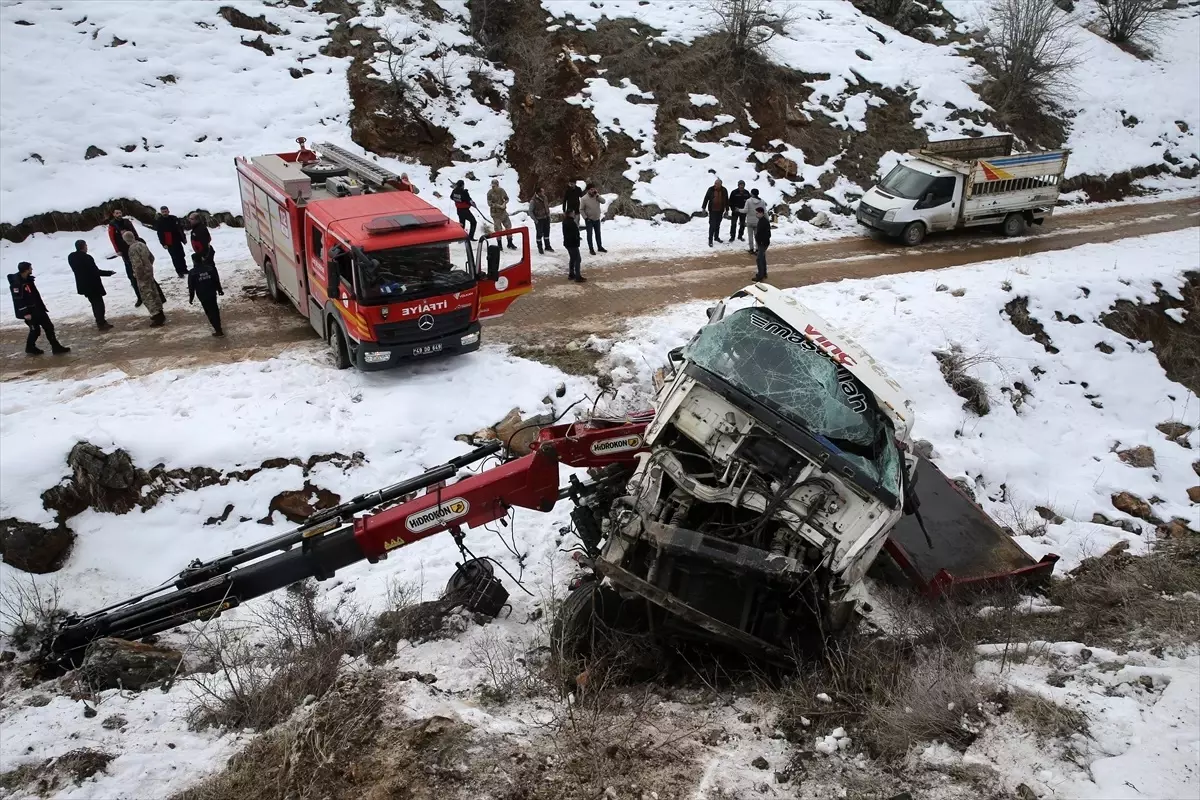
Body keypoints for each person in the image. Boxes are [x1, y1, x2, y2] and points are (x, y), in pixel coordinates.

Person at [8, 262, 69, 355]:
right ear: (26, 270)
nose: (32, 270)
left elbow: (34, 295)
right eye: (30, 268)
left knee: (49, 327)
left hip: (38, 308)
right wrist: (25, 313)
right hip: (29, 312)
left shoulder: (28, 280)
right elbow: (18, 300)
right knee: (35, 330)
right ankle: (30, 347)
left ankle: (56, 347)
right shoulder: (17, 284)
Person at [67, 240, 115, 330]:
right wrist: (108, 273)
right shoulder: (87, 257)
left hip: (83, 285)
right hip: (93, 284)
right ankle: (101, 322)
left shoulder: (71, 257)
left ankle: (99, 321)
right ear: (83, 246)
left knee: (94, 303)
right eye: (86, 245)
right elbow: (95, 271)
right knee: (99, 304)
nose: (87, 247)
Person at [125, 231, 166, 327]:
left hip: (142, 275)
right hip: (149, 272)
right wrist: (149, 267)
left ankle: (157, 316)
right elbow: (151, 257)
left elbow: (137, 264)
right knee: (154, 292)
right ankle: (160, 312)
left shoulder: (132, 249)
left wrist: (137, 274)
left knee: (147, 295)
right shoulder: (141, 244)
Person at [107, 209, 142, 305]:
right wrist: (117, 250)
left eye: (120, 213)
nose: (119, 214)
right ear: (113, 214)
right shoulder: (112, 225)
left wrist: (138, 241)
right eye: (116, 213)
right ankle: (139, 296)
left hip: (133, 246)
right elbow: (112, 238)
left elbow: (134, 232)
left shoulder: (126, 222)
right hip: (124, 251)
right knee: (131, 274)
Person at [188, 251, 224, 337]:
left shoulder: (192, 272)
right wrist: (219, 290)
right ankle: (218, 327)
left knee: (209, 311)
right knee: (215, 309)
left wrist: (191, 298)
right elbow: (216, 280)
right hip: (212, 293)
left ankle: (217, 329)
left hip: (202, 295)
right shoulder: (210, 268)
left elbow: (191, 287)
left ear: (193, 261)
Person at [154, 206, 189, 277]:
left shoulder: (174, 218)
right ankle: (179, 271)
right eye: (163, 212)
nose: (164, 213)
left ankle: (184, 269)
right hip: (169, 242)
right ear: (161, 212)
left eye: (165, 211)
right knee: (175, 257)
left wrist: (184, 238)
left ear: (168, 211)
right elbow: (160, 234)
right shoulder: (160, 221)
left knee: (181, 255)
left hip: (177, 240)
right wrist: (163, 243)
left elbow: (180, 229)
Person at [486, 179, 516, 250]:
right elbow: (489, 203)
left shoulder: (502, 191)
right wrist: (499, 206)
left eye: (495, 186)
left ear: (497, 185)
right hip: (495, 214)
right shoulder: (489, 193)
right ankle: (499, 245)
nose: (493, 187)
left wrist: (504, 203)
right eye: (492, 186)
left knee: (508, 227)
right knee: (498, 230)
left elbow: (507, 199)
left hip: (503, 213)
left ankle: (510, 243)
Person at [701, 178, 729, 246]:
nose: (715, 185)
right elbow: (706, 198)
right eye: (715, 183)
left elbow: (726, 200)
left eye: (717, 184)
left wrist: (727, 210)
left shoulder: (724, 190)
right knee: (712, 225)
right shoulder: (711, 189)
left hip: (720, 210)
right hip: (712, 210)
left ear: (720, 184)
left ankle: (716, 237)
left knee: (718, 224)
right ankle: (710, 240)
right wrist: (703, 208)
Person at [581, 183, 607, 255]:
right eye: (591, 189)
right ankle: (591, 249)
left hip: (597, 218)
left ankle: (600, 247)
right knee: (589, 234)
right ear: (588, 190)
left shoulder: (597, 196)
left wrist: (598, 196)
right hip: (589, 219)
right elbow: (581, 209)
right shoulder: (584, 199)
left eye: (594, 189)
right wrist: (585, 218)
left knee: (598, 234)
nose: (593, 191)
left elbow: (603, 201)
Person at [528, 187, 553, 254]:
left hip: (546, 218)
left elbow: (547, 206)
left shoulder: (545, 198)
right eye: (542, 192)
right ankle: (540, 247)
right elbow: (530, 211)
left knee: (547, 233)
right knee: (539, 233)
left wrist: (548, 215)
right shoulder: (533, 201)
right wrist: (535, 220)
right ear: (538, 193)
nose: (543, 193)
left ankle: (547, 246)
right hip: (539, 219)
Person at [562, 211, 585, 283]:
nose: (574, 214)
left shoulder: (566, 221)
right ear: (570, 214)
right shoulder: (571, 223)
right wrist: (576, 240)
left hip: (568, 243)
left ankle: (571, 274)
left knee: (572, 258)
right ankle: (577, 276)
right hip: (572, 244)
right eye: (573, 213)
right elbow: (573, 234)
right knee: (577, 259)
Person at [743, 189, 768, 254]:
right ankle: (757, 249)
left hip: (750, 221)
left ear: (752, 194)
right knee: (758, 236)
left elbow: (745, 210)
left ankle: (751, 249)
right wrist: (767, 220)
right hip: (758, 221)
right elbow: (765, 212)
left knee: (750, 236)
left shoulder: (748, 201)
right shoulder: (762, 201)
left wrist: (738, 210)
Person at [753, 205, 771, 281]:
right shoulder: (762, 221)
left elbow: (767, 234)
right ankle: (764, 273)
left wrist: (761, 241)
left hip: (763, 243)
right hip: (762, 243)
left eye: (757, 213)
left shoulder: (764, 222)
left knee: (759, 259)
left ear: (761, 213)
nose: (756, 214)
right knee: (762, 258)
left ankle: (760, 275)